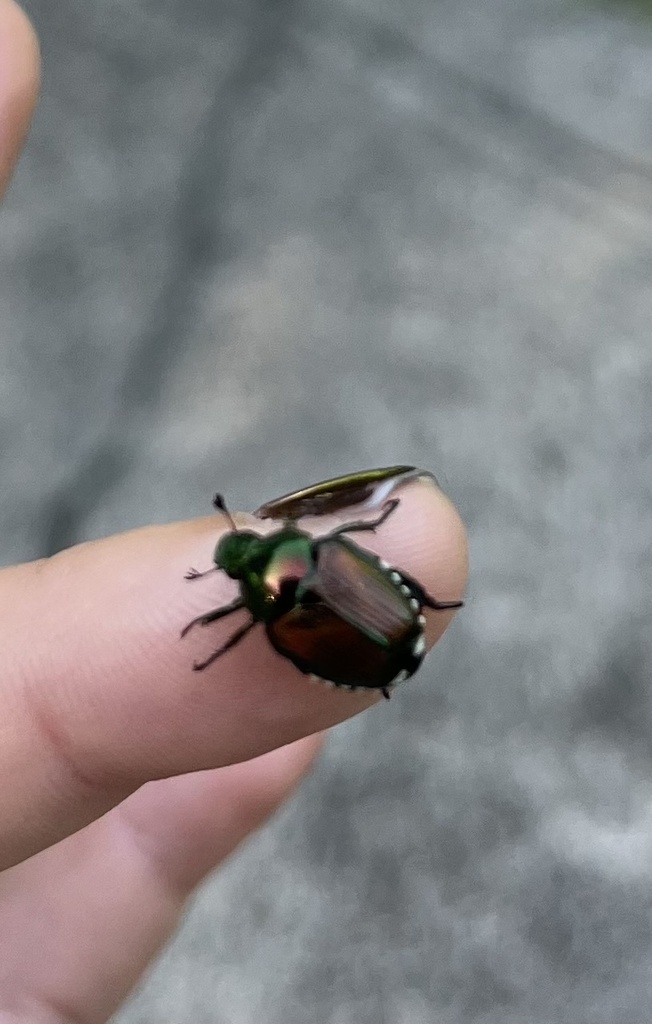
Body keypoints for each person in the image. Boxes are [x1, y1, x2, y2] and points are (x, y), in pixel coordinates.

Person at [0, 4, 468, 1016]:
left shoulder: (287, 586)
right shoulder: (297, 572)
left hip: (371, 638)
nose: (244, 567)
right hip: (372, 637)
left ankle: (406, 620)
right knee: (373, 586)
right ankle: (407, 618)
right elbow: (303, 594)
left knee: (370, 587)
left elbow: (290, 604)